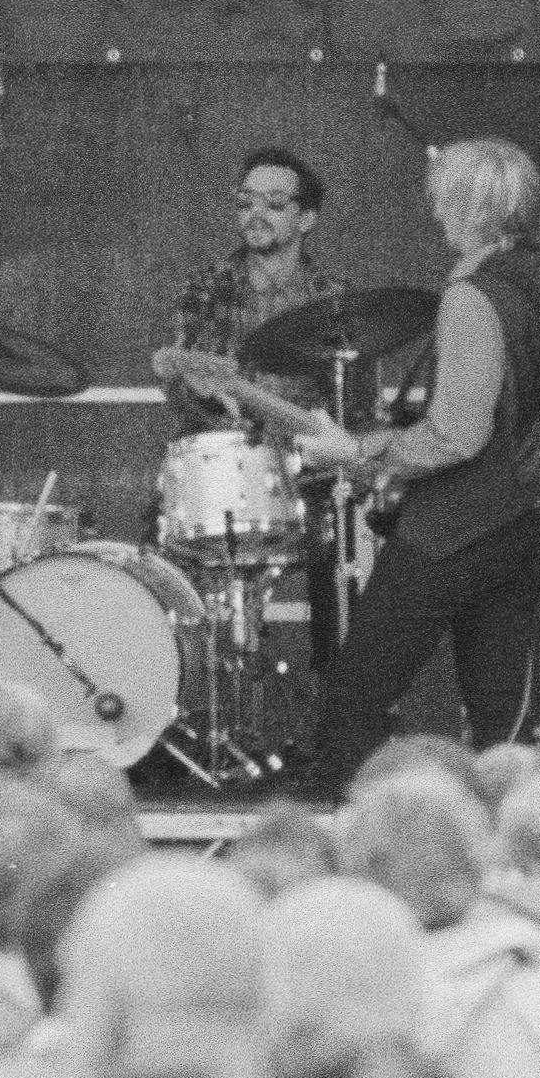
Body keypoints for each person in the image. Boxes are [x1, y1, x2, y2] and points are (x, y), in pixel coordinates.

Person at [299, 139, 540, 788]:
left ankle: (370, 847)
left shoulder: (472, 298)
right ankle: (511, 860)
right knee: (506, 730)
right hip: (524, 525)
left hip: (451, 530)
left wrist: (354, 450)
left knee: (351, 702)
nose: (435, 216)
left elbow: (458, 436)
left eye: (440, 202)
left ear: (463, 208)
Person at [152, 147, 361, 686]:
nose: (255, 215)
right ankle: (175, 700)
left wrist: (299, 431)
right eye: (245, 202)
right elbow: (182, 387)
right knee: (156, 545)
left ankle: (338, 712)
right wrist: (209, 397)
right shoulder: (208, 288)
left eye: (273, 203)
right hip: (222, 461)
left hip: (308, 470)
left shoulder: (333, 299)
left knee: (343, 556)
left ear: (306, 219)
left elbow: (349, 407)